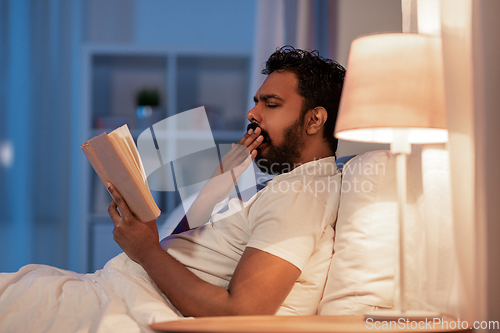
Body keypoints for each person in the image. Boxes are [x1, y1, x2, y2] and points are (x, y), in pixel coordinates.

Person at [107, 46, 346, 317]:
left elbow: (242, 313)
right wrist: (215, 186)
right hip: (122, 292)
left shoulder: (300, 194)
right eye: (256, 102)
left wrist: (145, 250)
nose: (252, 114)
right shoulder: (285, 185)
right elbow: (181, 245)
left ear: (314, 120)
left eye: (271, 104)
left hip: (124, 302)